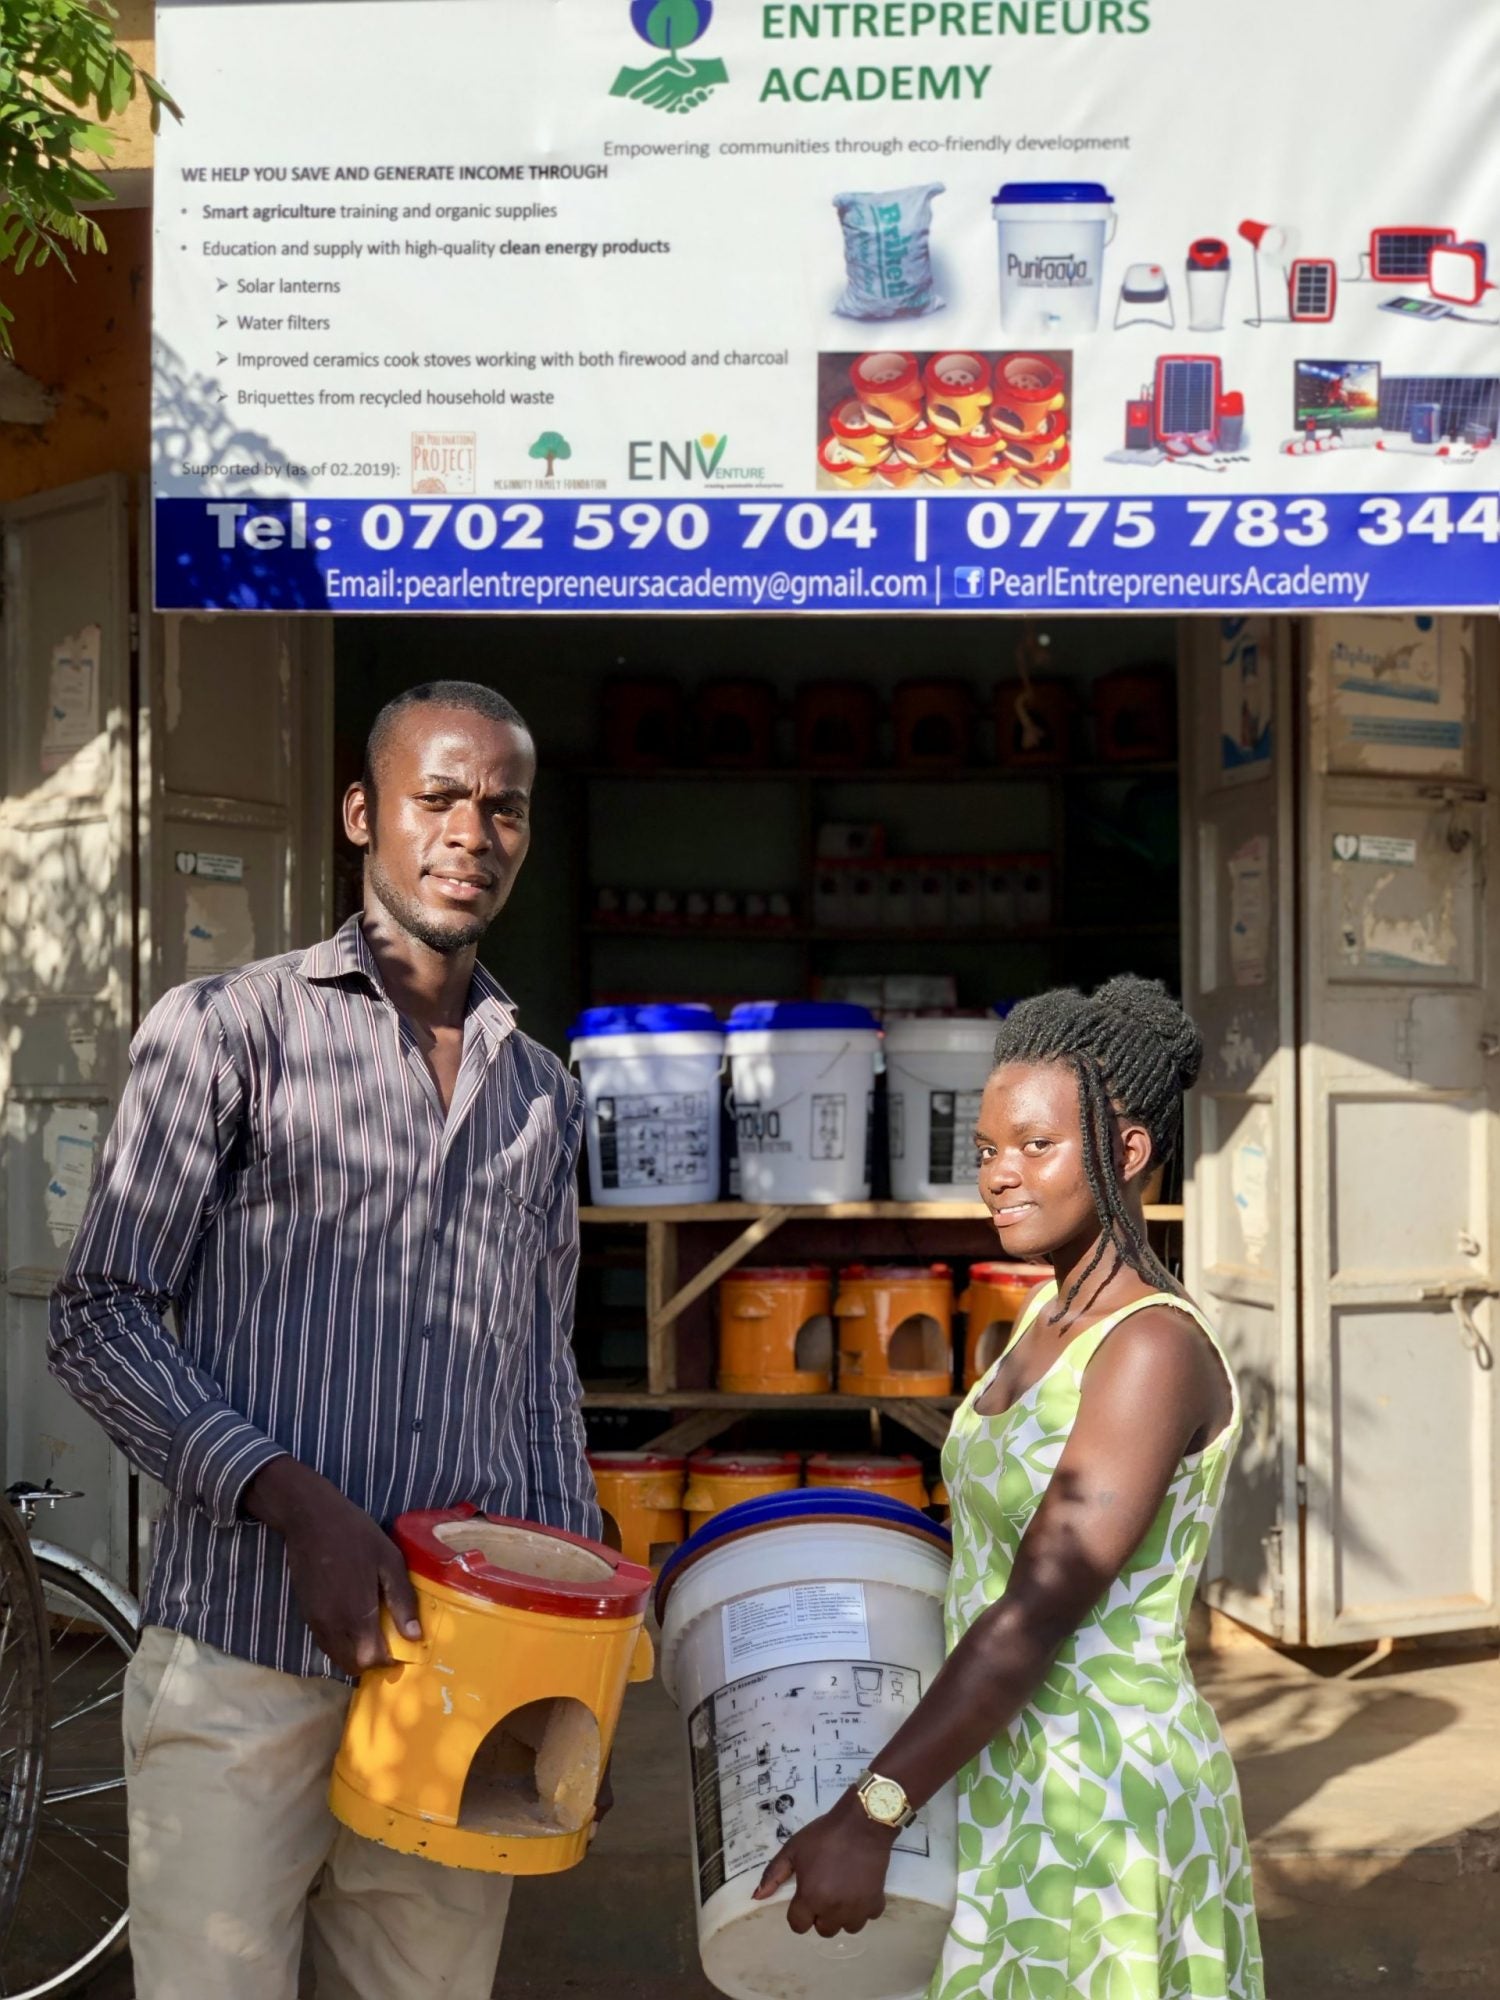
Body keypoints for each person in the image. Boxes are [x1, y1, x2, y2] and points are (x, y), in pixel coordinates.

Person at [49, 681, 599, 2000]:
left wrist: (570, 1668)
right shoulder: (228, 1031)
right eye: (441, 797)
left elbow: (538, 1384)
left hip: (458, 1678)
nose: (474, 832)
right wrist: (295, 1505)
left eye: (505, 808)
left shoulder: (542, 1092)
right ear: (364, 813)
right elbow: (101, 1313)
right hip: (243, 1666)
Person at [755, 975, 1266, 2000]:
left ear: (1127, 1152)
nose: (999, 1174)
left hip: (1100, 1792)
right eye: (987, 1147)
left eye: (1036, 1145)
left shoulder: (1148, 1349)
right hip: (1003, 1760)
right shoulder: (1049, 1317)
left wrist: (869, 1812)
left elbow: (1034, 1610)